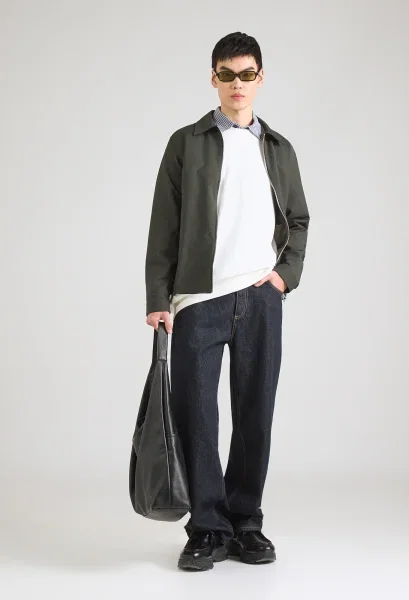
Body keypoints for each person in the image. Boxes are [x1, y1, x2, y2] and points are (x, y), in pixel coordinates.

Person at [144, 31, 310, 571]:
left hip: (261, 297)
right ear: (213, 78)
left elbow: (298, 220)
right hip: (199, 299)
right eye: (227, 74)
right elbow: (164, 225)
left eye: (246, 74)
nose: (237, 84)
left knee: (255, 414)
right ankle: (206, 528)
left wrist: (284, 276)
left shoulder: (278, 148)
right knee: (196, 417)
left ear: (260, 79)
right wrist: (159, 296)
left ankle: (245, 523)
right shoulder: (186, 142)